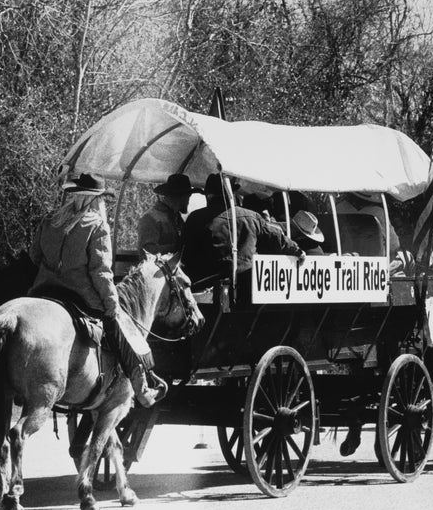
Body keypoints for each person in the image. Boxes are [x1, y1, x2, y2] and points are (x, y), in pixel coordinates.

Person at [29, 174, 168, 407]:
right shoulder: (96, 224)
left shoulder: (49, 220)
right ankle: (141, 388)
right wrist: (113, 304)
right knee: (120, 325)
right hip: (81, 294)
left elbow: (35, 256)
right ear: (96, 199)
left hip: (44, 290)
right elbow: (100, 272)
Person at [181, 173, 301, 292]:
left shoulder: (196, 218)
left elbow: (184, 253)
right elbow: (276, 239)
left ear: (208, 196)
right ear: (231, 193)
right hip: (248, 287)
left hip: (206, 287)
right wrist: (297, 250)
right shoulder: (252, 217)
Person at [136, 172, 195, 256]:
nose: (188, 201)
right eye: (187, 197)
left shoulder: (177, 218)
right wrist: (176, 247)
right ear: (179, 197)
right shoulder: (150, 219)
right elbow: (147, 252)